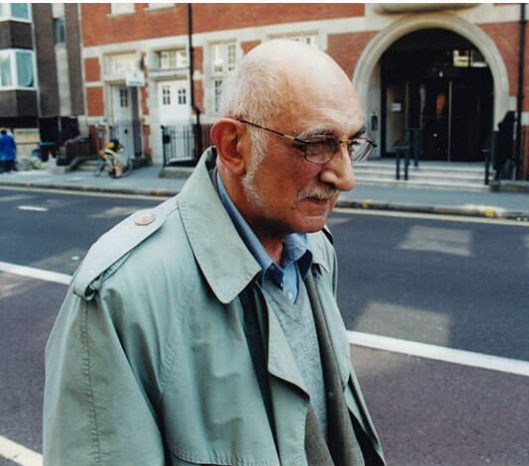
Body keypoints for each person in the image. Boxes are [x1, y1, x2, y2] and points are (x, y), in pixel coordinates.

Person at [43, 40, 385, 466]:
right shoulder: (121, 295)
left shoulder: (316, 247)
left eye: (353, 143)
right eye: (317, 143)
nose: (346, 177)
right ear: (233, 146)